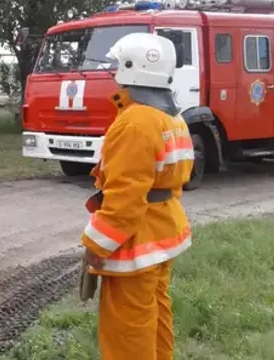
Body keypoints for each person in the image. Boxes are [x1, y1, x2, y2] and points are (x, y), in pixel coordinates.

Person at [82, 33, 193, 360]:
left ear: (133, 67)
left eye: (118, 64)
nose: (114, 71)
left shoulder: (135, 121)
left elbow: (125, 197)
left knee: (128, 330)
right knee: (155, 314)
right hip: (162, 232)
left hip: (135, 243)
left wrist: (96, 245)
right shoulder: (173, 116)